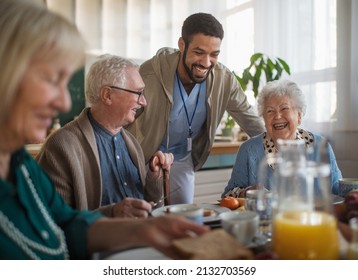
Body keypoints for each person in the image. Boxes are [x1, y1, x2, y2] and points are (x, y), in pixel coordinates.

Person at [0, 0, 208, 260]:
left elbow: (66, 222)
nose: (65, 102)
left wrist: (146, 228)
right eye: (51, 79)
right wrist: (117, 216)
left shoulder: (21, 167)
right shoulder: (61, 146)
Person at [126, 13, 265, 204]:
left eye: (214, 54)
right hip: (145, 159)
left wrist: (283, 144)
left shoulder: (224, 80)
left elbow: (250, 120)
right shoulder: (150, 73)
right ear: (182, 45)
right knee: (144, 220)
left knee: (185, 222)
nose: (206, 62)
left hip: (183, 159)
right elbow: (124, 120)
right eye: (199, 52)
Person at [37, 54, 174, 219]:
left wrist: (154, 176)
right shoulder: (61, 146)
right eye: (138, 93)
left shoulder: (132, 143)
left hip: (140, 239)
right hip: (100, 245)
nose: (144, 101)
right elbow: (55, 220)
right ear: (107, 95)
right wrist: (112, 213)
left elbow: (151, 206)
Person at [222, 79, 342, 198]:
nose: (277, 116)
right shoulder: (248, 150)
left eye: (284, 108)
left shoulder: (320, 146)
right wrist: (247, 192)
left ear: (299, 116)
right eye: (270, 111)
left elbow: (338, 191)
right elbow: (227, 196)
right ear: (263, 119)